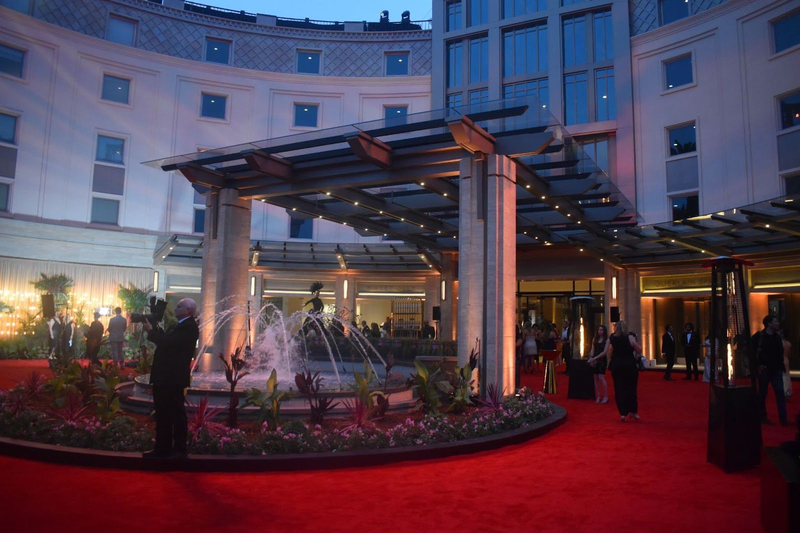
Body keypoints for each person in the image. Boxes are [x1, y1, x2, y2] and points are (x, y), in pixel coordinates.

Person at [142, 298, 199, 458]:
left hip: (172, 377)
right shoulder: (178, 325)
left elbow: (168, 344)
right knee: (162, 413)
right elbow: (166, 341)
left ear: (189, 311)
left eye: (179, 307)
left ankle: (179, 449)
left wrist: (150, 332)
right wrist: (154, 329)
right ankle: (162, 448)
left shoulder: (189, 327)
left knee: (175, 413)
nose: (175, 309)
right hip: (165, 376)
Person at [752, 316, 788, 426]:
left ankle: (783, 418)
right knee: (763, 393)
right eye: (775, 321)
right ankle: (762, 416)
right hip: (765, 369)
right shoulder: (759, 336)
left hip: (775, 369)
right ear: (769, 323)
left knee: (780, 393)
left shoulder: (776, 337)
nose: (777, 323)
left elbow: (779, 353)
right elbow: (750, 351)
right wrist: (757, 365)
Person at [607, 319, 644, 422]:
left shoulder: (613, 338)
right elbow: (639, 350)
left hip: (617, 366)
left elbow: (610, 352)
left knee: (619, 389)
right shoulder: (630, 337)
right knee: (631, 389)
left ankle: (623, 413)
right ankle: (633, 411)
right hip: (629, 366)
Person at [588, 325, 610, 403]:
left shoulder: (607, 340)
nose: (600, 331)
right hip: (594, 359)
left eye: (601, 330)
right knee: (595, 378)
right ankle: (598, 396)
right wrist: (591, 357)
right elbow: (592, 349)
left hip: (602, 360)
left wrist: (595, 358)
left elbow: (604, 352)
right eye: (599, 330)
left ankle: (606, 396)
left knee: (601, 377)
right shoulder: (595, 339)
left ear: (604, 331)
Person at [107, 307, 127, 371]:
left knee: (115, 351)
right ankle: (122, 364)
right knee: (120, 351)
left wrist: (112, 332)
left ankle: (115, 365)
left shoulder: (112, 320)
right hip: (120, 337)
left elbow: (109, 329)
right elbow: (124, 329)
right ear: (120, 311)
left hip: (113, 337)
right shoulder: (124, 320)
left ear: (115, 312)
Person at [779, 328, 792, 400]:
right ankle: (787, 391)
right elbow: (789, 354)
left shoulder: (779, 343)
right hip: (786, 359)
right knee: (787, 375)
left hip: (780, 360)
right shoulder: (788, 344)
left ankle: (784, 390)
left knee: (782, 376)